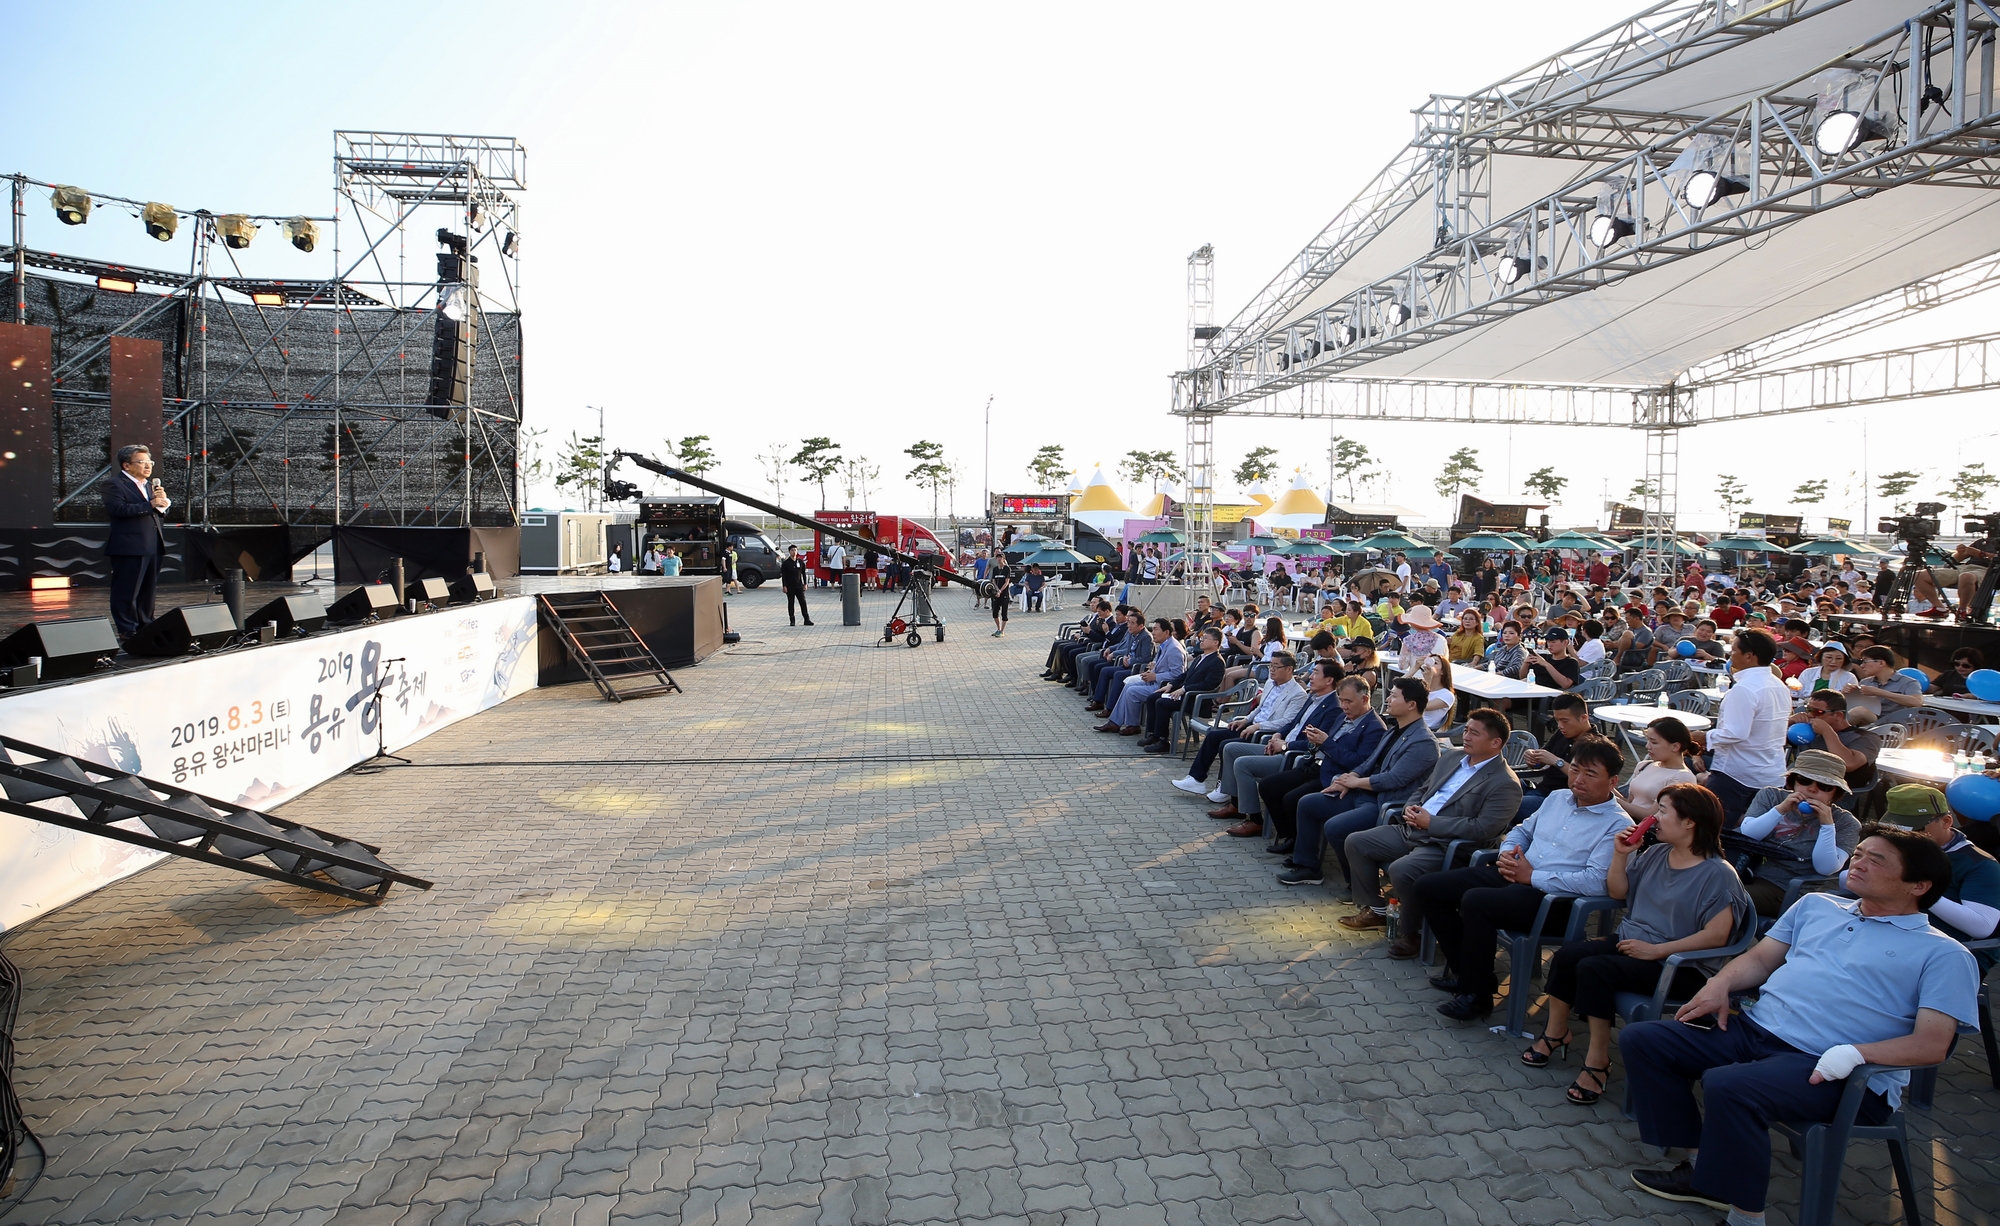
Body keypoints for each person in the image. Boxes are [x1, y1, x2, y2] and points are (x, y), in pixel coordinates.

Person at [1621, 827, 1978, 1221]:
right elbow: (1759, 961)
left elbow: (1932, 1045)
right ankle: (1703, 1166)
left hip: (1837, 1068)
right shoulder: (1817, 906)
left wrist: (1854, 1054)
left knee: (1728, 1085)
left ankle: (1745, 1218)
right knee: (1645, 1040)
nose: (1858, 862)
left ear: (1919, 885)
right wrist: (1719, 982)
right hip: (1756, 1031)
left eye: (1876, 860)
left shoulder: (1944, 953)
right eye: (1858, 854)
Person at [1526, 783, 1750, 1106]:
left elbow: (1717, 935)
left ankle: (1598, 1062)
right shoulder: (1658, 853)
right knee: (1569, 955)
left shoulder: (1718, 874)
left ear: (1689, 822)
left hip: (1681, 965)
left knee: (1594, 969)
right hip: (1634, 943)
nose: (1654, 818)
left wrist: (1658, 951)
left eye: (1663, 811)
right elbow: (1618, 892)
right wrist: (1620, 855)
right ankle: (1556, 1032)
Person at [1414, 734, 1633, 1021]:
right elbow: (1521, 831)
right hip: (1517, 876)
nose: (1578, 779)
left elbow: (1595, 881)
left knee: (1477, 901)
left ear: (1613, 782)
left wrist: (1533, 876)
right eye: (1576, 769)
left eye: (1590, 774)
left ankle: (1477, 996)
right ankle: (1469, 974)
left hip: (1556, 901)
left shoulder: (1617, 824)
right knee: (1429, 887)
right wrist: (1508, 852)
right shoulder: (1557, 798)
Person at [1318, 708, 1522, 952]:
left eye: (1474, 733)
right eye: (1466, 730)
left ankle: (1411, 932)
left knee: (1401, 869)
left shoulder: (1505, 783)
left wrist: (1431, 823)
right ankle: (1376, 910)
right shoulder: (1452, 757)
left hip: (1446, 844)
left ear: (1495, 742)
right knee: (1356, 842)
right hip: (1414, 827)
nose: (1465, 736)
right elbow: (1424, 789)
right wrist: (1410, 808)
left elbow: (1483, 829)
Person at [1275, 677, 1441, 860]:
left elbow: (1393, 779)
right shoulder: (1394, 730)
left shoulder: (1423, 741)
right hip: (1363, 792)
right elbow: (1369, 762)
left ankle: (1353, 881)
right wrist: (1348, 778)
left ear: (1411, 705)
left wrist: (1355, 782)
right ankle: (1306, 865)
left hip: (1384, 802)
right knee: (1307, 803)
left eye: (1394, 696)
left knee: (1335, 827)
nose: (1387, 700)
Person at [1205, 660, 1346, 823]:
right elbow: (1293, 723)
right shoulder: (1313, 696)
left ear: (1329, 680)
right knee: (1230, 749)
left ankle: (1255, 820)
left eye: (1315, 673)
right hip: (1281, 745)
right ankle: (1236, 805)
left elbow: (1315, 743)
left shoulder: (1333, 707)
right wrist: (1277, 735)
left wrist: (1285, 745)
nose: (1310, 677)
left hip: (1294, 756)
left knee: (1243, 764)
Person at [1875, 785, 2000, 969]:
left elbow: (1981, 926)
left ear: (1947, 821)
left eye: (1917, 828)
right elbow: (1846, 878)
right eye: (1897, 827)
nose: (1906, 835)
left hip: (1947, 954)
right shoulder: (1893, 844)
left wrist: (1916, 888)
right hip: (1886, 936)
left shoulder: (1980, 864)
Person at [1254, 675, 1388, 846]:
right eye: (1341, 701)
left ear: (1365, 699)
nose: (1344, 706)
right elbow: (1325, 744)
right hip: (1314, 765)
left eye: (1348, 701)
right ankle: (1289, 835)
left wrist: (1325, 743)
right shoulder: (1343, 717)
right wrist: (1314, 743)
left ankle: (1298, 845)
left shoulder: (1374, 728)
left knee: (1292, 799)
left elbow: (1359, 762)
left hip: (1333, 775)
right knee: (1268, 786)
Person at [1736, 748, 1863, 917]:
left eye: (1824, 786)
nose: (1812, 789)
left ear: (1835, 792)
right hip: (1742, 869)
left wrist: (1827, 825)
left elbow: (1826, 868)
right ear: (1793, 781)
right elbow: (1749, 834)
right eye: (1805, 780)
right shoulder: (1771, 796)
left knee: (1725, 898)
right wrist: (1780, 810)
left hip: (1785, 888)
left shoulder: (1845, 823)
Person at [1688, 628, 1790, 823]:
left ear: (1749, 656)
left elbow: (1736, 733)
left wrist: (1703, 737)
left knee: (1712, 828)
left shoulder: (1745, 688)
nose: (1730, 654)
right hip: (1770, 773)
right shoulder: (1778, 685)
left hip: (1737, 775)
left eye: (1734, 650)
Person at [1172, 651, 1309, 793]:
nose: (1271, 670)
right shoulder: (1270, 683)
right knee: (1214, 736)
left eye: (1276, 666)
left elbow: (1287, 722)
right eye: (1270, 665)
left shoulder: (1298, 694)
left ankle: (1224, 788)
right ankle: (1196, 779)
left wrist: (1257, 726)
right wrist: (1246, 719)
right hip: (1252, 725)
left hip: (1264, 733)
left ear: (1289, 669)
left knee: (1226, 745)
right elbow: (1260, 709)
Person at [101, 444, 170, 641]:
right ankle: (127, 627)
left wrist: (163, 504)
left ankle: (146, 623)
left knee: (148, 588)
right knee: (127, 589)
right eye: (142, 462)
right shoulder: (114, 484)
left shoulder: (150, 486)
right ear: (126, 465)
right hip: (129, 545)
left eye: (150, 462)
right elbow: (118, 510)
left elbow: (156, 512)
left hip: (153, 543)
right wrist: (150, 505)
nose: (148, 466)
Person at [1137, 628, 1224, 753]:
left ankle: (1163, 740)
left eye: (1205, 638)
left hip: (1195, 699)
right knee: (1153, 697)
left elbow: (1208, 685)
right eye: (1202, 637)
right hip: (1184, 694)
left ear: (1215, 642)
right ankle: (1154, 735)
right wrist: (1171, 685)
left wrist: (1184, 689)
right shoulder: (1200, 657)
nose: (1201, 640)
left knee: (1162, 703)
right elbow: (1185, 675)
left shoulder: (1217, 661)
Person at [1098, 619, 1184, 736]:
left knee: (1133, 691)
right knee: (1128, 685)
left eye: (1156, 629)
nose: (1153, 632)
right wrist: (1150, 672)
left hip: (1165, 687)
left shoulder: (1174, 648)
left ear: (1166, 632)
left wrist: (1155, 676)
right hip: (1156, 682)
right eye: (1152, 629)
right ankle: (1115, 722)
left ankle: (1133, 725)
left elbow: (1178, 674)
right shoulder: (1165, 644)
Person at [1787, 690, 1881, 791]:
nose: (1810, 715)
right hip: (1796, 786)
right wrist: (1789, 722)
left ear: (1838, 715)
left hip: (1832, 794)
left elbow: (1848, 764)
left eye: (1817, 712)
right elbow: (1772, 745)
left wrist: (1827, 732)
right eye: (1808, 710)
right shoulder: (1808, 731)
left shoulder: (1866, 737)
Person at [1617, 717, 1699, 819]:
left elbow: (1652, 816)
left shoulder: (1683, 777)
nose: (1648, 746)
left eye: (1654, 742)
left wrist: (1611, 798)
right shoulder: (1644, 765)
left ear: (1675, 747)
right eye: (1647, 740)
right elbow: (1630, 803)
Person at [1522, 694, 1595, 803]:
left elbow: (1587, 780)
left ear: (1583, 718)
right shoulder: (1563, 734)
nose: (1560, 726)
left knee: (1502, 805)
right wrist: (1532, 758)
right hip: (1540, 790)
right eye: (1557, 720)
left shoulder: (1596, 745)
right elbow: (1539, 763)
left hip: (1562, 801)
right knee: (1498, 785)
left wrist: (1557, 762)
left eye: (1565, 721)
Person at [1844, 645, 1928, 726]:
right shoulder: (1865, 682)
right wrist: (1846, 693)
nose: (1862, 665)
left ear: (1881, 663)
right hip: (1870, 722)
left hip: (1896, 724)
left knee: (1859, 712)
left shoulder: (1908, 682)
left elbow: (1917, 702)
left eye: (1865, 661)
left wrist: (1879, 692)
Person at [1394, 605, 1443, 672]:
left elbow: (1402, 666)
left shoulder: (1408, 640)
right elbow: (1444, 661)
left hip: (1414, 678)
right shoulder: (1441, 639)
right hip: (1435, 678)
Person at [1420, 655, 1455, 732]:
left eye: (1435, 662)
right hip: (1407, 726)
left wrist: (1427, 680)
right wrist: (1415, 668)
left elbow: (1421, 706)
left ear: (1442, 671)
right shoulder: (1420, 685)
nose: (1430, 665)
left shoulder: (1447, 695)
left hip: (1423, 731)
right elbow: (1396, 689)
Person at [779, 546, 812, 625]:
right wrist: (784, 586)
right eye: (792, 550)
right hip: (790, 586)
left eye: (795, 550)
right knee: (791, 603)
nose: (794, 552)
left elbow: (803, 574)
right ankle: (792, 620)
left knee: (803, 602)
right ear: (789, 552)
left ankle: (806, 619)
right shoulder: (786, 563)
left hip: (799, 586)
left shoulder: (800, 562)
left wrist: (805, 584)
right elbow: (784, 576)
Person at [986, 560, 1013, 637]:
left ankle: (1002, 631)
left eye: (1000, 558)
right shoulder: (995, 569)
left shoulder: (1007, 569)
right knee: (995, 612)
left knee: (1004, 613)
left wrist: (1000, 591)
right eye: (997, 558)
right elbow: (994, 581)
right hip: (996, 593)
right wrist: (997, 590)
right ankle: (998, 628)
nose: (999, 560)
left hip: (1004, 593)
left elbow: (1007, 581)